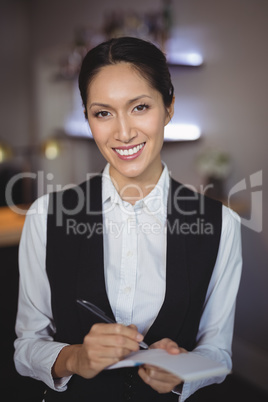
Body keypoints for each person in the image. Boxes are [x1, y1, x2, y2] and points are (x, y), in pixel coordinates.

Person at [14, 37, 242, 402]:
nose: (123, 133)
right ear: (88, 119)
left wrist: (185, 371)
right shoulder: (45, 217)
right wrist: (75, 357)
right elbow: (26, 349)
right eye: (103, 113)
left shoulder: (221, 225)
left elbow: (218, 354)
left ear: (168, 107)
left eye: (139, 107)